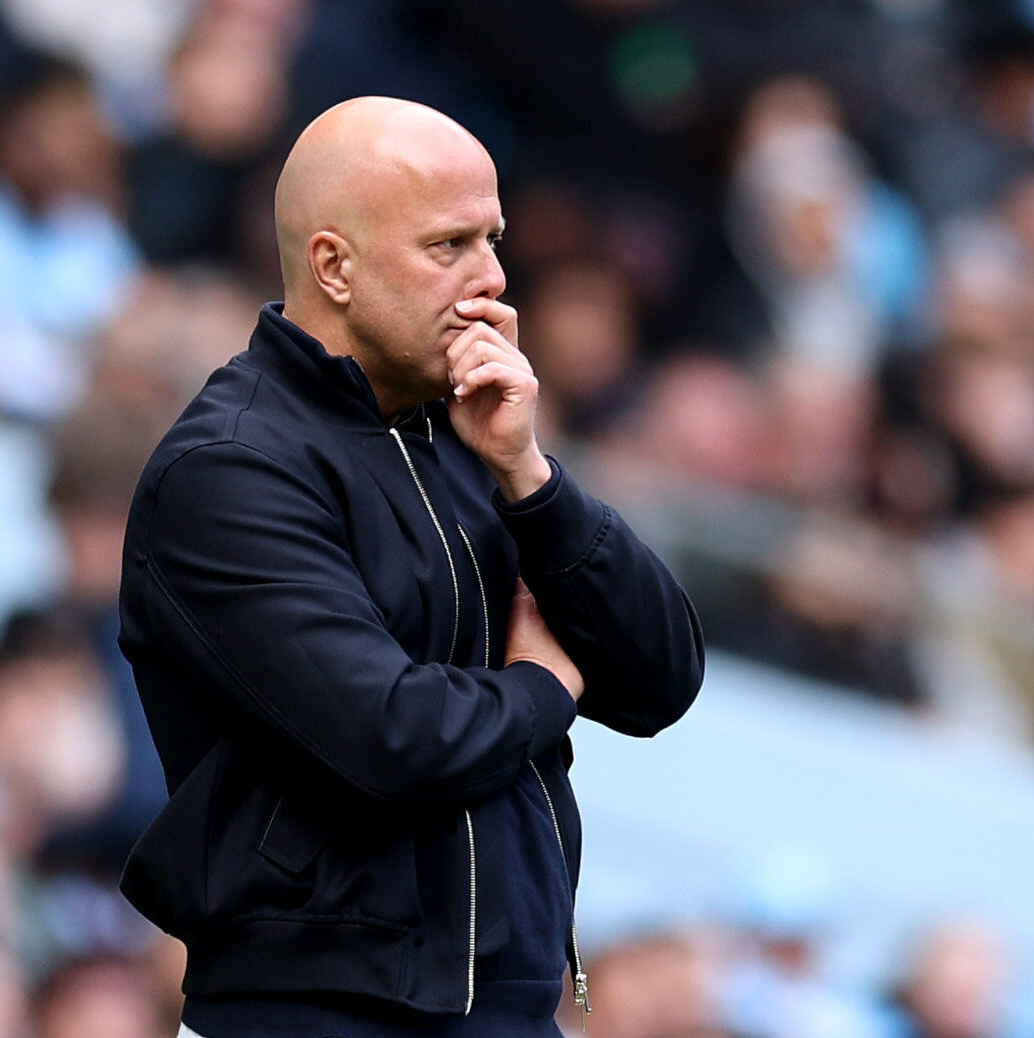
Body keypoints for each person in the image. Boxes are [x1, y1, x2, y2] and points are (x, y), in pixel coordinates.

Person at [116, 95, 705, 1038]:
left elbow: (659, 679)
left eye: (493, 239)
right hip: (312, 1015)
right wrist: (539, 687)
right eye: (448, 247)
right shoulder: (229, 467)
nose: (492, 282)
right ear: (332, 266)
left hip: (501, 1013)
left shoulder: (474, 433)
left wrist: (532, 478)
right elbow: (386, 736)